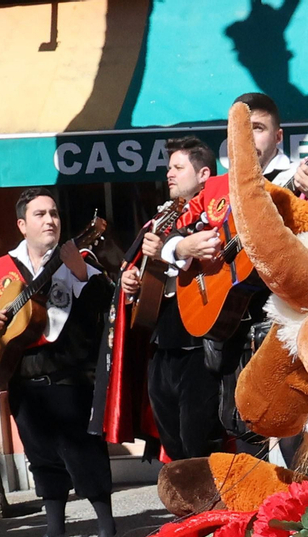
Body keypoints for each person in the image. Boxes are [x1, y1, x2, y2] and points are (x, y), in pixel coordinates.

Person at [160, 92, 308, 461]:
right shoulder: (213, 189)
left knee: (298, 442)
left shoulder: (303, 180)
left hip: (288, 326)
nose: (246, 138)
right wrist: (184, 247)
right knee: (243, 435)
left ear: (278, 137)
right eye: (240, 130)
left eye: (257, 128)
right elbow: (168, 237)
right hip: (233, 332)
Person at [0, 188, 119, 537]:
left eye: (54, 213)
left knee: (83, 452)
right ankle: (55, 532)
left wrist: (80, 271)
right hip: (21, 377)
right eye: (40, 214)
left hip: (70, 374)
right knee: (40, 456)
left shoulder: (78, 257)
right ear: (22, 224)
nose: (50, 220)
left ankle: (107, 528)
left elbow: (106, 303)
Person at [118, 136, 225, 461]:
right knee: (173, 444)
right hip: (161, 345)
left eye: (178, 168)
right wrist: (129, 280)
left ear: (204, 174)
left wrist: (176, 248)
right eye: (168, 168)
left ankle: (212, 511)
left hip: (198, 343)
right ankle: (187, 511)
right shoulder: (161, 217)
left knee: (200, 443)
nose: (170, 174)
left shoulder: (215, 209)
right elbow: (135, 269)